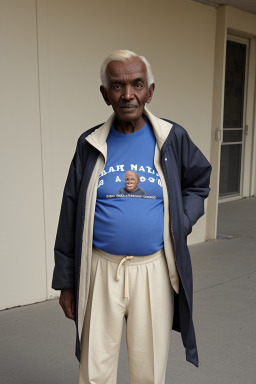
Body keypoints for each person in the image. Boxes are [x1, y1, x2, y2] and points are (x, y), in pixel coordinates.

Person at [52, 49, 211, 384]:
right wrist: (66, 281)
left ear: (149, 92)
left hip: (153, 269)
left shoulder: (172, 138)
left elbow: (198, 182)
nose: (127, 95)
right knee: (95, 369)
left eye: (137, 85)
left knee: (148, 371)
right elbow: (70, 213)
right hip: (100, 268)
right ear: (105, 94)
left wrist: (181, 220)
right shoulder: (90, 143)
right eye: (117, 86)